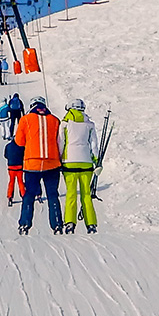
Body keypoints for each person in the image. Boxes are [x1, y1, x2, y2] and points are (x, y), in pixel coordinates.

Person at [13, 97, 63, 235]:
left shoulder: (25, 119)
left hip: (32, 163)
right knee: (53, 195)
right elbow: (60, 141)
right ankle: (57, 225)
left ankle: (25, 224)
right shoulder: (54, 120)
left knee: (29, 195)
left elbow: (19, 142)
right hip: (52, 163)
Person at [59, 99, 99, 234]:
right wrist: (96, 160)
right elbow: (94, 145)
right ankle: (91, 224)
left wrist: (60, 159)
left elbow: (61, 142)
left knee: (71, 194)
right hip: (86, 162)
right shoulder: (90, 124)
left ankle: (70, 223)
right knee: (86, 194)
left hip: (69, 161)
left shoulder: (65, 124)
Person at [4, 135, 26, 206]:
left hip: (11, 167)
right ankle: (23, 195)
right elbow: (24, 155)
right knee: (20, 182)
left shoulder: (8, 146)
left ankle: (10, 196)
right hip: (19, 167)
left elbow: (5, 155)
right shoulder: (21, 147)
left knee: (11, 182)